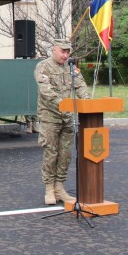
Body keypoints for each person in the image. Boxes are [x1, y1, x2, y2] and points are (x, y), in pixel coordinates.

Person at [34, 37, 90, 206]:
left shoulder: (71, 68)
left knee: (65, 154)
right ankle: (49, 188)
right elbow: (46, 90)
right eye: (62, 51)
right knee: (51, 153)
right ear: (54, 50)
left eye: (68, 52)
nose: (65, 55)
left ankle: (60, 187)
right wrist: (62, 103)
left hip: (67, 117)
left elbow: (80, 85)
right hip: (50, 116)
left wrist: (87, 101)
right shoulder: (43, 66)